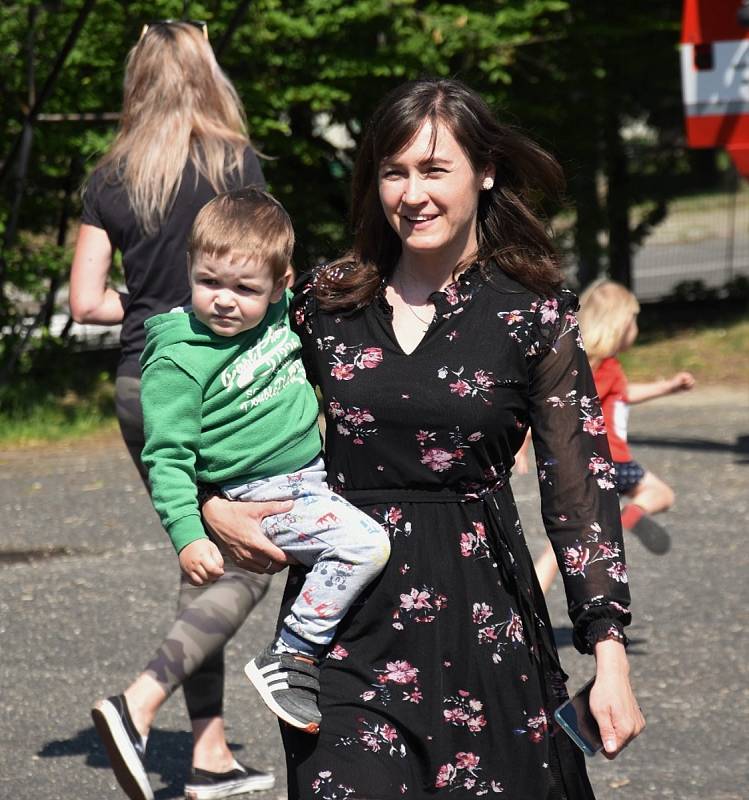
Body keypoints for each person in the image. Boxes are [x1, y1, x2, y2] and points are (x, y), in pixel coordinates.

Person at [202, 77, 644, 799]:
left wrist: (609, 653)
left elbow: (579, 488)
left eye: (434, 170)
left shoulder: (532, 315)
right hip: (340, 630)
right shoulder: (321, 302)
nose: (413, 193)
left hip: (486, 625)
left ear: (485, 170)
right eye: (393, 171)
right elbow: (211, 396)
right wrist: (208, 505)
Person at [68, 20, 276, 800]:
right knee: (255, 551)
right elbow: (267, 273)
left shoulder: (111, 176)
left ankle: (211, 756)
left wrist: (149, 304)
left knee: (206, 556)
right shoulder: (234, 161)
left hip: (140, 387)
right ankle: (138, 701)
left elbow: (88, 300)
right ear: (206, 74)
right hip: (223, 386)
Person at [140, 187, 390, 735]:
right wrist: (188, 536)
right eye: (209, 282)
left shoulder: (278, 312)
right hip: (261, 495)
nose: (225, 300)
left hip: (313, 480)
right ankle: (292, 654)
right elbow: (166, 457)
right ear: (189, 268)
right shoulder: (179, 359)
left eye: (244, 288)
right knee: (365, 545)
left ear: (281, 285)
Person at [534, 279, 695, 594]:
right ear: (620, 325)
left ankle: (530, 602)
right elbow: (569, 401)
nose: (636, 327)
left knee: (562, 547)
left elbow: (621, 395)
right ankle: (626, 520)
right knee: (661, 494)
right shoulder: (602, 367)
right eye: (633, 319)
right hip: (613, 461)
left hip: (592, 463)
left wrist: (667, 387)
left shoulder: (595, 366)